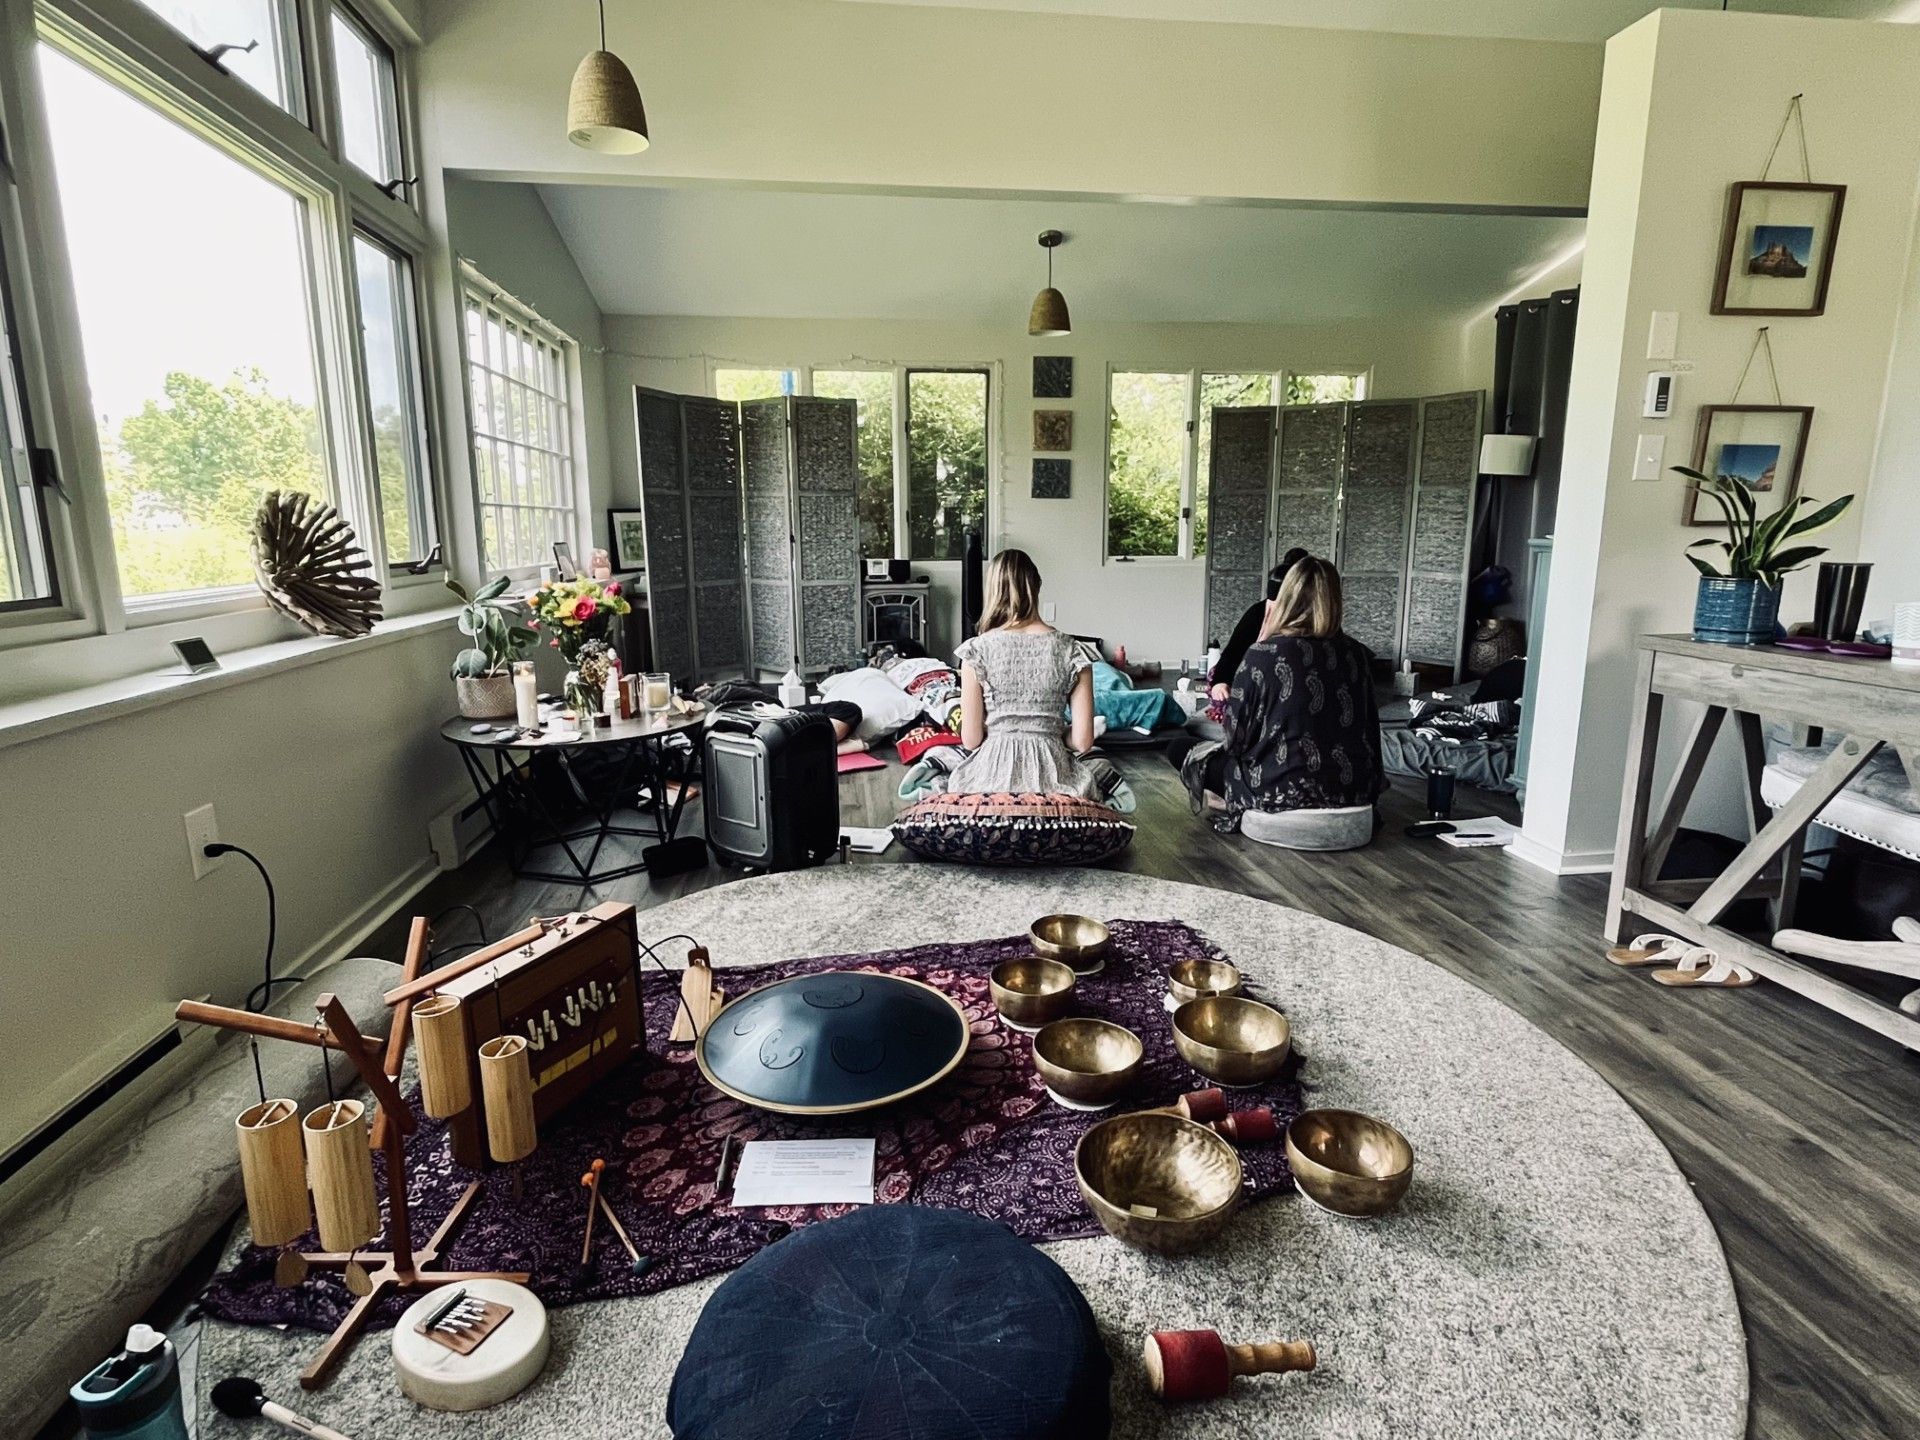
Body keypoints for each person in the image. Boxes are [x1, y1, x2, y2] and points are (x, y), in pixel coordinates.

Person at [1170, 555, 1384, 833]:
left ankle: (1232, 799)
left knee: (1179, 747)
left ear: (1285, 598)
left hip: (1278, 789)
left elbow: (1236, 740)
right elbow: (1371, 730)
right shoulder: (1358, 654)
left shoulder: (1263, 654)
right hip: (1352, 789)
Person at [933, 548, 1120, 802]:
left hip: (991, 779)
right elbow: (1083, 742)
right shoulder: (1074, 651)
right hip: (1054, 779)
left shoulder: (976, 651)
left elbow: (971, 739)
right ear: (1037, 586)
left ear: (992, 592)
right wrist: (1050, 731)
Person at [1206, 548, 1308, 723]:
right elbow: (1233, 651)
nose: (1272, 612)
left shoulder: (1312, 623)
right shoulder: (1258, 613)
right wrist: (1220, 682)